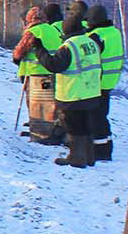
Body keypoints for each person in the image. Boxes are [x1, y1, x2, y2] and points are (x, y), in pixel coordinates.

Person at [37, 13, 103, 167]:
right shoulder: (91, 42)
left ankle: (77, 159)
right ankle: (89, 157)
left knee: (75, 128)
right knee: (86, 126)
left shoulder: (70, 46)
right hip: (91, 92)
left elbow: (54, 65)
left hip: (74, 94)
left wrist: (40, 50)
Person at [12, 3, 65, 143]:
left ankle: (39, 134)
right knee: (50, 105)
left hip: (36, 75)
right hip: (53, 72)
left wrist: (17, 60)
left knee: (37, 106)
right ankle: (51, 133)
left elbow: (19, 52)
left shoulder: (33, 31)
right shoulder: (53, 30)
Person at [86, 5, 124, 160]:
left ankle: (99, 151)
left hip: (97, 82)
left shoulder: (95, 36)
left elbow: (88, 60)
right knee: (102, 116)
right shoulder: (115, 32)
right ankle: (106, 148)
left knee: (95, 118)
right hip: (110, 80)